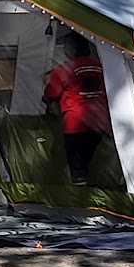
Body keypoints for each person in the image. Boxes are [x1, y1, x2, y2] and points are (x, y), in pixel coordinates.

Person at [43, 32, 110, 185]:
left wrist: (47, 100)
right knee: (93, 163)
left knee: (77, 167)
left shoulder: (64, 70)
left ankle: (80, 199)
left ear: (72, 48)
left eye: (66, 46)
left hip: (75, 125)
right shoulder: (100, 68)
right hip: (99, 124)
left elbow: (51, 93)